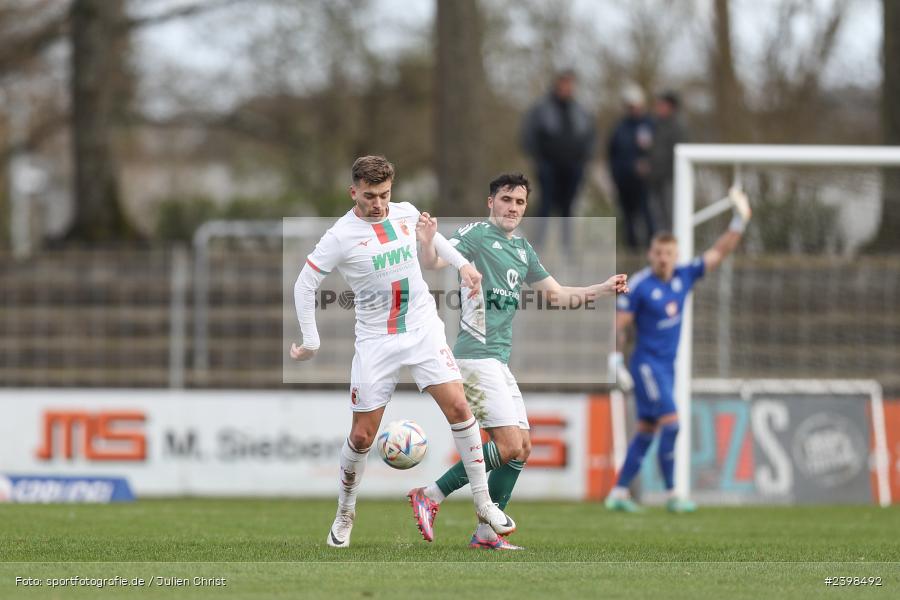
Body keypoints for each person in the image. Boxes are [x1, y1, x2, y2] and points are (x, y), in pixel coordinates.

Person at [291, 155, 516, 547]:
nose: (378, 204)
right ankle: (345, 511)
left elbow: (437, 242)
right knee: (362, 437)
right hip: (376, 341)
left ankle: (483, 503)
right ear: (353, 192)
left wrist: (463, 266)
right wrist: (311, 340)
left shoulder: (406, 213)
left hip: (423, 329)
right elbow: (304, 283)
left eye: (384, 195)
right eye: (369, 196)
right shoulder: (339, 235)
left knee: (462, 410)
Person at [407, 173, 628, 549]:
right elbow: (434, 263)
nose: (513, 207)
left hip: (499, 361)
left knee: (521, 448)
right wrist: (428, 244)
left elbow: (556, 296)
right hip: (475, 358)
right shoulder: (476, 235)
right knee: (507, 446)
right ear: (490, 202)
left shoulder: (524, 250)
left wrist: (603, 289)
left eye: (520, 202)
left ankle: (486, 534)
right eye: (506, 199)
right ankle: (430, 495)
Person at [606, 186, 752, 513]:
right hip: (646, 365)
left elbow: (719, 252)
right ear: (650, 254)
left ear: (675, 254)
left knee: (646, 430)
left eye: (668, 253)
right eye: (658, 253)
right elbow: (620, 322)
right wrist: (617, 359)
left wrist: (739, 221)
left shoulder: (684, 276)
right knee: (671, 424)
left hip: (666, 368)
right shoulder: (642, 285)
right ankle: (673, 494)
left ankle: (617, 493)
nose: (663, 258)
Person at [521, 70, 596, 253]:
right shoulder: (541, 109)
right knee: (545, 205)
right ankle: (536, 249)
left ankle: (568, 250)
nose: (567, 88)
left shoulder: (580, 110)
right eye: (564, 84)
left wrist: (583, 159)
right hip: (548, 166)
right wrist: (538, 159)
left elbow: (590, 137)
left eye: (570, 84)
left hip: (573, 167)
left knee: (568, 208)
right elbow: (528, 135)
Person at [608, 84, 656, 250]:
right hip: (624, 183)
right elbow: (613, 155)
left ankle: (652, 249)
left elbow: (656, 152)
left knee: (648, 217)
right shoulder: (620, 128)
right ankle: (632, 252)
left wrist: (648, 166)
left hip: (645, 183)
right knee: (628, 220)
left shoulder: (650, 125)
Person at [648, 91, 688, 231]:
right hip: (655, 179)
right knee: (658, 216)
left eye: (662, 105)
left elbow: (678, 154)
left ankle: (672, 245)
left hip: (670, 179)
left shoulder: (678, 127)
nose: (658, 108)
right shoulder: (655, 125)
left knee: (671, 214)